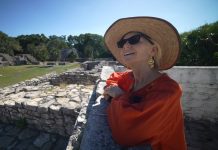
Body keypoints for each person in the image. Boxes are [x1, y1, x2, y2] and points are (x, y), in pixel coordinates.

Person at [103, 17, 187, 150]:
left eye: (134, 39)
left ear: (153, 50)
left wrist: (119, 96)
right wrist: (115, 92)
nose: (125, 45)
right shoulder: (129, 78)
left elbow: (126, 133)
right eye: (122, 43)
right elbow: (113, 79)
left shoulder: (169, 91)